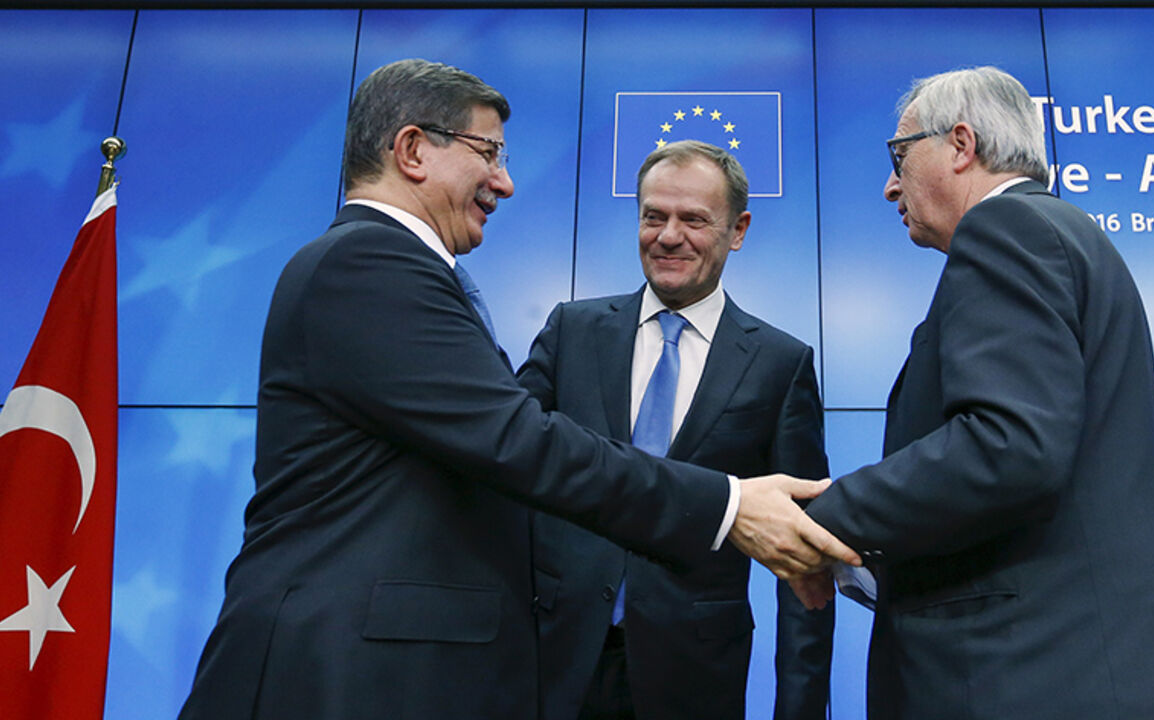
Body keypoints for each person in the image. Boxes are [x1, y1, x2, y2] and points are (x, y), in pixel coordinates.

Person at [177, 59, 858, 720]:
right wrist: (728, 503)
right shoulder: (369, 264)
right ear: (413, 150)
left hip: (660, 673)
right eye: (489, 153)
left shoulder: (777, 360)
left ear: (736, 230)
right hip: (343, 665)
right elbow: (521, 442)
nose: (503, 182)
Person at [798, 66, 1154, 718]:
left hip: (1042, 678)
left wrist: (823, 520)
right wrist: (858, 559)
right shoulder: (1060, 233)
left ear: (959, 144)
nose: (890, 184)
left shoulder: (1007, 230)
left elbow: (1009, 447)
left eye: (899, 155)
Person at [517, 140, 834, 720]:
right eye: (653, 216)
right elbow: (505, 467)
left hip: (695, 677)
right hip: (552, 661)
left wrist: (802, 706)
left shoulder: (780, 363)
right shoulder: (571, 331)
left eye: (693, 220)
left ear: (737, 230)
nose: (667, 236)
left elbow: (803, 553)